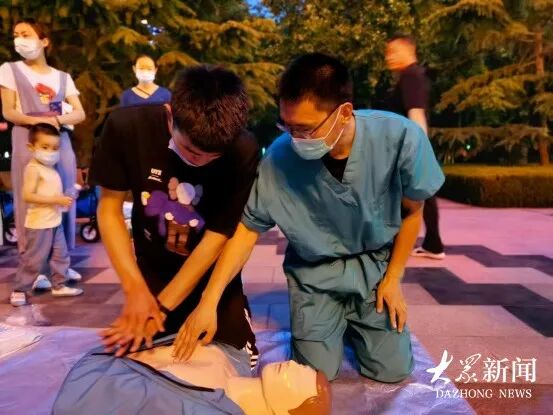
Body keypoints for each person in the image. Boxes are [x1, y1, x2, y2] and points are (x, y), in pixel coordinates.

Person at [167, 53, 445, 383]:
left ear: (344, 113)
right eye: (287, 126)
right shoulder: (280, 158)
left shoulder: (401, 138)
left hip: (375, 269)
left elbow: (413, 211)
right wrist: (208, 301)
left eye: (305, 128)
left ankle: (361, 326)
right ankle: (328, 325)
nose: (295, 138)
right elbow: (246, 231)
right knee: (315, 374)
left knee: (393, 370)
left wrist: (393, 278)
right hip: (315, 276)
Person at [91, 66, 259, 368]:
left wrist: (163, 307)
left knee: (234, 360)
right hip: (152, 266)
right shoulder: (126, 127)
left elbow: (218, 235)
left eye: (213, 157)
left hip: (211, 271)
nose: (201, 162)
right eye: (191, 151)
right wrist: (135, 289)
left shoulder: (243, 149)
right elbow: (109, 209)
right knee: (139, 358)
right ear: (170, 116)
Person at [0, 19, 85, 283]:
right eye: (16, 35)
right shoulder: (10, 70)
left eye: (26, 34)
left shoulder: (62, 77)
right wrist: (37, 122)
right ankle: (35, 268)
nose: (20, 39)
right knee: (31, 200)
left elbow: (79, 112)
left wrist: (57, 120)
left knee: (63, 196)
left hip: (59, 141)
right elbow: (9, 111)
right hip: (28, 139)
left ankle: (61, 263)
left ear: (44, 41)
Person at [53, 337, 331, 415]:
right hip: (108, 362)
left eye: (301, 378)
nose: (293, 365)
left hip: (91, 379)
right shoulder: (234, 358)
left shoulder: (197, 408)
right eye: (302, 367)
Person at [385, 34, 445, 260]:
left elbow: (416, 111)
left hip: (408, 144)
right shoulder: (412, 75)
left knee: (405, 194)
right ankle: (433, 244)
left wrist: (418, 149)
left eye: (393, 52)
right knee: (423, 194)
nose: (389, 57)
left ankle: (404, 244)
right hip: (407, 144)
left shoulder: (411, 76)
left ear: (408, 51)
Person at [9, 124, 83, 307]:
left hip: (54, 221)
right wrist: (56, 200)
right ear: (31, 147)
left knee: (60, 255)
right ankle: (20, 290)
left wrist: (66, 196)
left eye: (55, 148)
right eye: (45, 147)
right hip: (38, 224)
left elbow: (51, 194)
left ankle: (59, 285)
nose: (50, 152)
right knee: (33, 259)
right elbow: (27, 195)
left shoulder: (50, 169)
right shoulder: (33, 168)